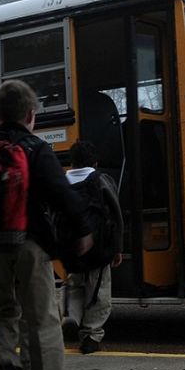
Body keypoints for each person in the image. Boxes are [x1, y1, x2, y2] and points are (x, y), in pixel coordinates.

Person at [0, 79, 93, 370]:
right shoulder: (36, 148)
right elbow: (62, 194)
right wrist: (82, 230)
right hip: (30, 243)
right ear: (31, 114)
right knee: (42, 318)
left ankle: (4, 363)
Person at [60, 140, 124, 354]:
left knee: (74, 285)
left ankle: (70, 317)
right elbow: (115, 215)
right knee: (98, 291)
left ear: (72, 161)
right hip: (99, 248)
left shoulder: (62, 182)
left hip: (71, 250)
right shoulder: (102, 180)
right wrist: (117, 248)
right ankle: (91, 335)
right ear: (95, 162)